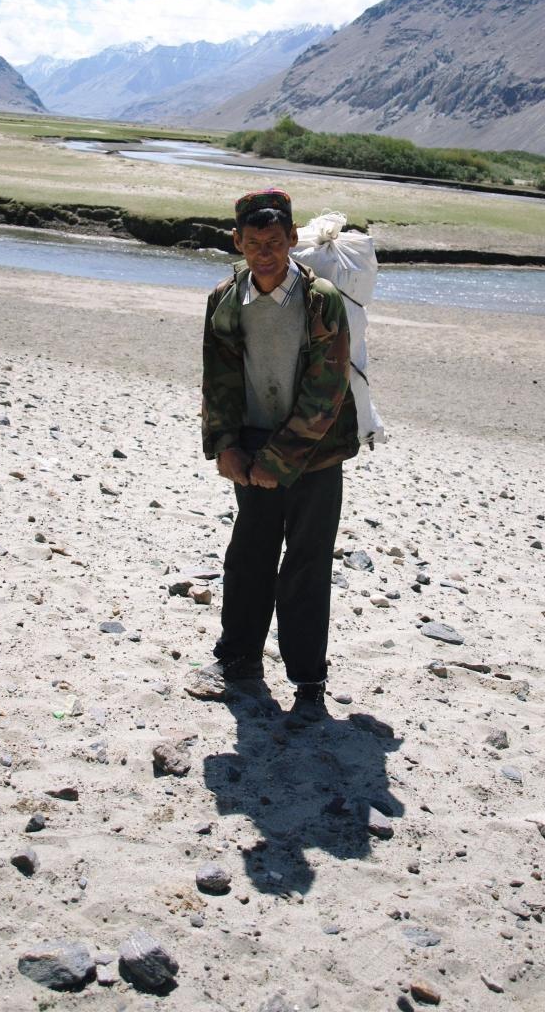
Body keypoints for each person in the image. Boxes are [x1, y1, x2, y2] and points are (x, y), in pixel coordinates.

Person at [200, 188, 359, 717]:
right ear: (237, 242)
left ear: (292, 239)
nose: (263, 253)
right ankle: (238, 659)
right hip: (251, 448)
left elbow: (327, 390)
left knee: (307, 565)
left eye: (273, 242)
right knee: (249, 556)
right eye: (253, 243)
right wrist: (225, 444)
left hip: (316, 457)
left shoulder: (321, 300)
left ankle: (308, 682)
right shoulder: (226, 298)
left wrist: (279, 460)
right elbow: (218, 378)